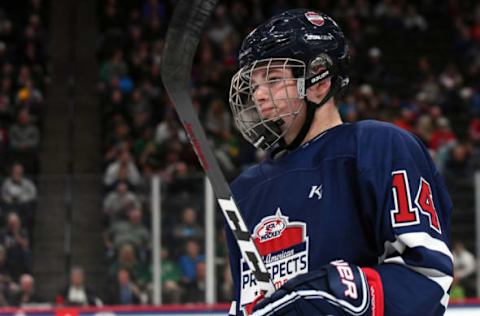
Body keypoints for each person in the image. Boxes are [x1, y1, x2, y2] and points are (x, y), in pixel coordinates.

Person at [226, 9, 453, 316]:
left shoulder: (377, 148)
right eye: (254, 85)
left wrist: (327, 294)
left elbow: (426, 279)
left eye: (274, 80)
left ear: (319, 82)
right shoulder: (244, 191)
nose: (259, 96)